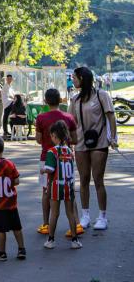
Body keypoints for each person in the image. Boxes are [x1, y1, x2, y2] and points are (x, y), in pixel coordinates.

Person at [70, 66, 117, 231]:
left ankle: (102, 216)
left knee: (98, 180)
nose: (72, 80)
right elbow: (71, 122)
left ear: (82, 78)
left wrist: (113, 138)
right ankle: (85, 215)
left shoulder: (101, 95)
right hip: (81, 143)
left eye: (74, 77)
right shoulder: (75, 100)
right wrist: (68, 141)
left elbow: (111, 116)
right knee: (83, 179)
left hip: (100, 142)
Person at [34, 88, 80, 237]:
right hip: (66, 158)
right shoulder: (69, 117)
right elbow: (75, 139)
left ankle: (46, 224)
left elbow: (38, 139)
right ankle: (76, 224)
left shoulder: (41, 118)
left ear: (46, 101)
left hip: (46, 156)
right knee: (68, 189)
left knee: (46, 191)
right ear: (60, 100)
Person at [41, 120, 81, 249]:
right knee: (70, 213)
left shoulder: (52, 151)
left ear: (54, 136)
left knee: (55, 213)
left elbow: (51, 169)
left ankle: (51, 240)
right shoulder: (69, 151)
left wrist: (43, 170)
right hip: (68, 186)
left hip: (56, 186)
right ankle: (75, 240)